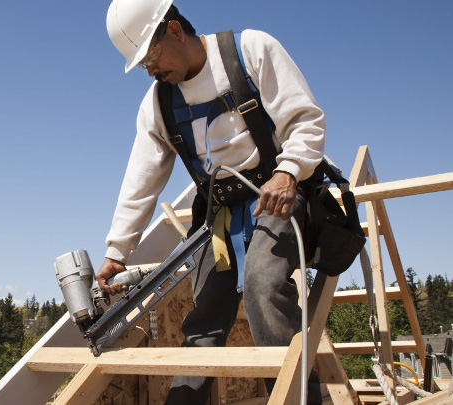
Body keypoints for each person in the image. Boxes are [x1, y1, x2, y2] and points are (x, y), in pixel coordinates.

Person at [97, 0, 326, 403]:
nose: (149, 70)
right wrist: (118, 250)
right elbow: (142, 177)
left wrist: (287, 171)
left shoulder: (249, 50)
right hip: (218, 216)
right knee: (204, 316)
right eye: (142, 65)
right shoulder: (159, 103)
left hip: (277, 200)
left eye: (150, 56)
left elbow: (304, 119)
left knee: (262, 286)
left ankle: (294, 398)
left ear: (173, 29)